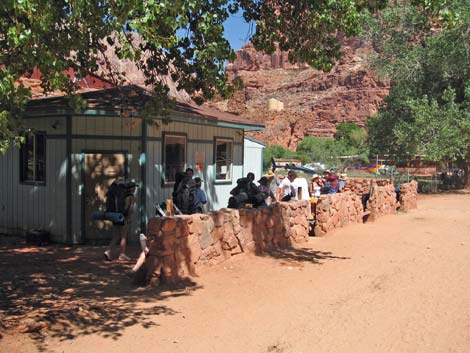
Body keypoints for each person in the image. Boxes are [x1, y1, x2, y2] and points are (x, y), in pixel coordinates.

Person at [104, 180, 136, 261]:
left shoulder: (120, 196)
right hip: (123, 217)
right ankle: (122, 254)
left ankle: (108, 251)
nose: (135, 189)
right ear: (131, 189)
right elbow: (130, 209)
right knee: (124, 236)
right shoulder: (131, 197)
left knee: (116, 236)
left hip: (115, 215)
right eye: (134, 187)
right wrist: (128, 218)